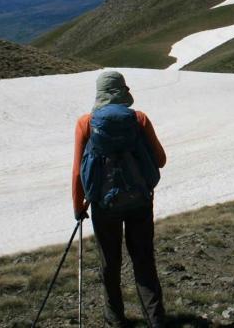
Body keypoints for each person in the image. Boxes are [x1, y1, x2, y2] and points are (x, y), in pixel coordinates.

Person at [72, 71, 167, 328]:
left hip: (104, 205)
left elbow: (78, 171)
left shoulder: (86, 123)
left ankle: (115, 320)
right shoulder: (139, 119)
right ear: (123, 91)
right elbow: (160, 160)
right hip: (140, 203)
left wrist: (78, 206)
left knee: (110, 263)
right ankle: (156, 321)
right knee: (144, 261)